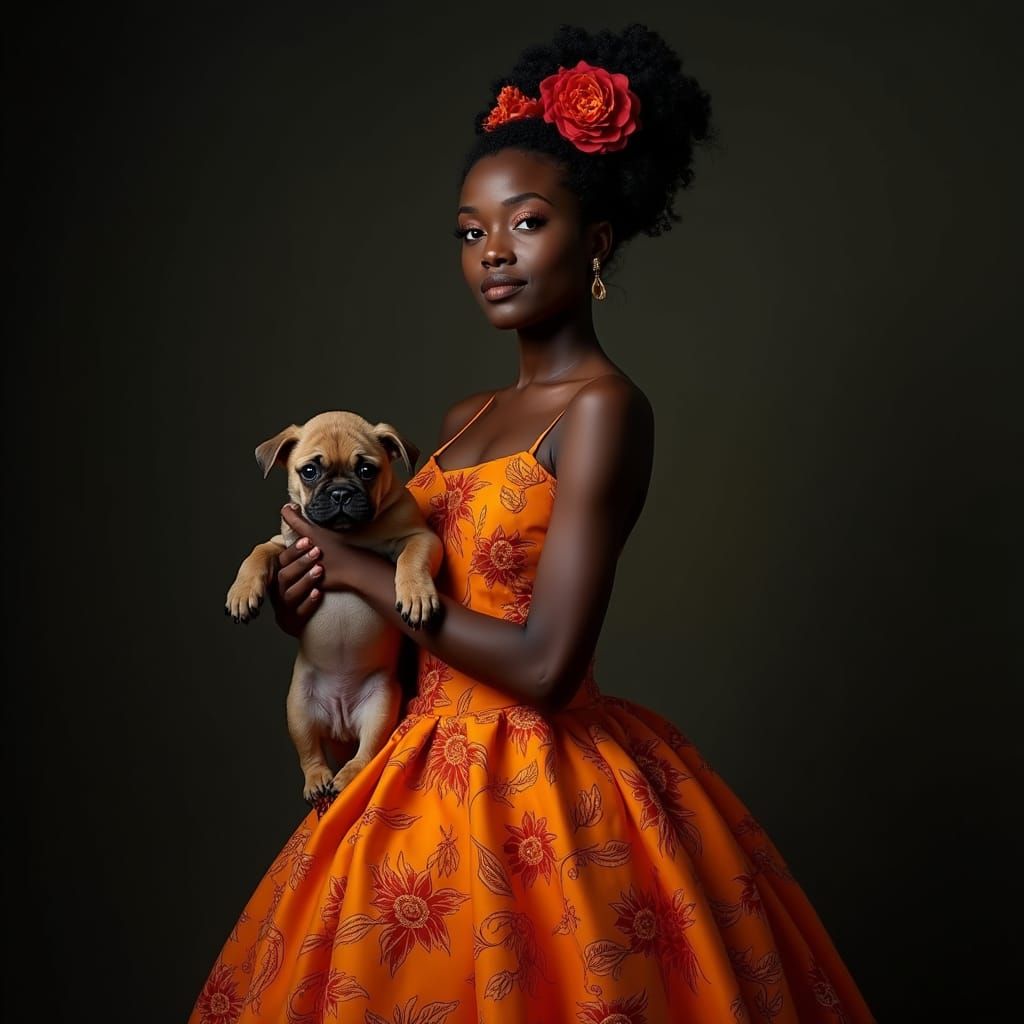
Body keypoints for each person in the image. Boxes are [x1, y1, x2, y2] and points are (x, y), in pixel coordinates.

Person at [189, 23, 876, 1024]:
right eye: (469, 233)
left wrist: (350, 568)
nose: (492, 255)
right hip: (408, 767)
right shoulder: (458, 419)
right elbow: (409, 619)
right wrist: (314, 604)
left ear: (594, 240)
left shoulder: (604, 410)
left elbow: (549, 666)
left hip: (547, 785)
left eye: (525, 224)